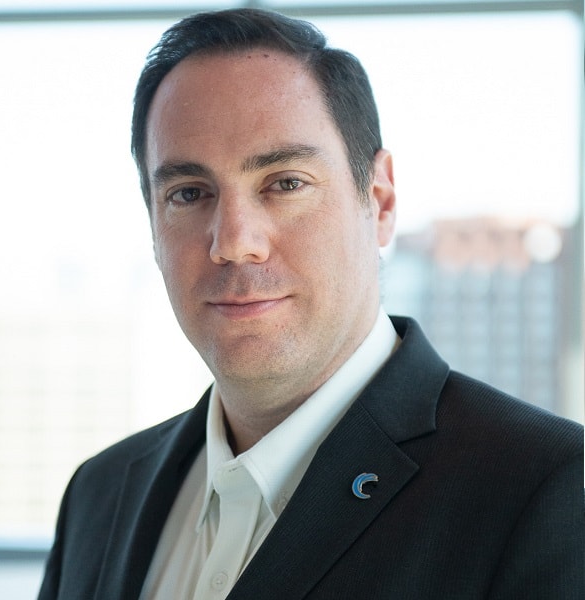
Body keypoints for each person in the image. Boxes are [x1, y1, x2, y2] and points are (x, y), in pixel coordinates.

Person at [38, 8, 584, 599]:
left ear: (379, 201)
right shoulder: (99, 493)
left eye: (285, 183)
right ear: (152, 228)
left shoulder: (547, 489)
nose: (234, 243)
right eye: (189, 194)